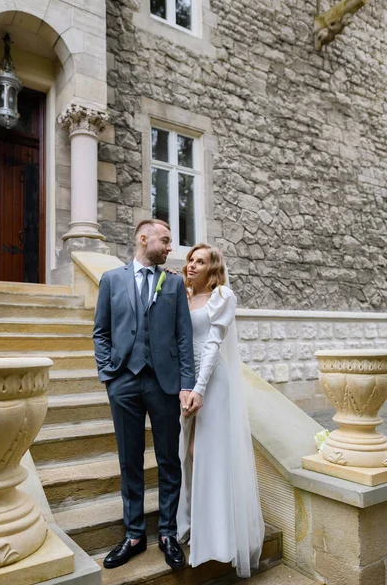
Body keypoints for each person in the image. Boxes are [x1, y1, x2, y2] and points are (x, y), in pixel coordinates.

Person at [93, 219, 195, 569]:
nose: (170, 247)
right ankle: (134, 534)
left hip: (164, 383)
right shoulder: (111, 280)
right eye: (165, 240)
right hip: (123, 381)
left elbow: (183, 337)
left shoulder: (175, 283)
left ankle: (167, 533)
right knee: (129, 460)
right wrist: (108, 373)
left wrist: (187, 384)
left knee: (169, 460)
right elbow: (101, 332)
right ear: (143, 238)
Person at [177, 242, 265, 578]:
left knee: (206, 456)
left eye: (200, 261)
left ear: (213, 269)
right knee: (185, 455)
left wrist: (199, 389)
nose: (192, 265)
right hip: (185, 386)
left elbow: (212, 344)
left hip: (212, 385)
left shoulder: (222, 297)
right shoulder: (183, 296)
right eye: (190, 260)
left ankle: (217, 538)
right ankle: (190, 525)